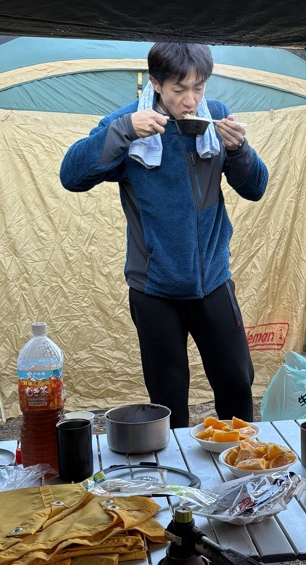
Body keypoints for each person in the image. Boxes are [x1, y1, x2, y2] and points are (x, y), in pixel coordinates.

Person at [60, 43, 269, 428]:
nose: (190, 101)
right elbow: (71, 176)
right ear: (155, 83)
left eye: (199, 87)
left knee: (237, 383)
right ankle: (178, 482)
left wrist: (239, 150)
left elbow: (255, 188)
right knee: (169, 398)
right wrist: (123, 132)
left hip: (213, 282)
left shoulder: (216, 117)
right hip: (154, 289)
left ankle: (245, 469)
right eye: (179, 89)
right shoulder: (128, 122)